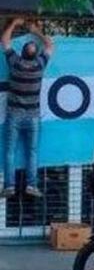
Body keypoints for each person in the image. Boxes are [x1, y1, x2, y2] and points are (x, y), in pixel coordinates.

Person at [1, 18, 53, 198]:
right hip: (33, 117)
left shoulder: (14, 64)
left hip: (14, 115)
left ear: (21, 53)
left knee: (9, 151)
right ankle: (31, 185)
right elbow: (49, 45)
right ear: (35, 55)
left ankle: (9, 186)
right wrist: (35, 30)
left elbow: (5, 41)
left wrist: (14, 23)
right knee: (32, 152)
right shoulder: (40, 65)